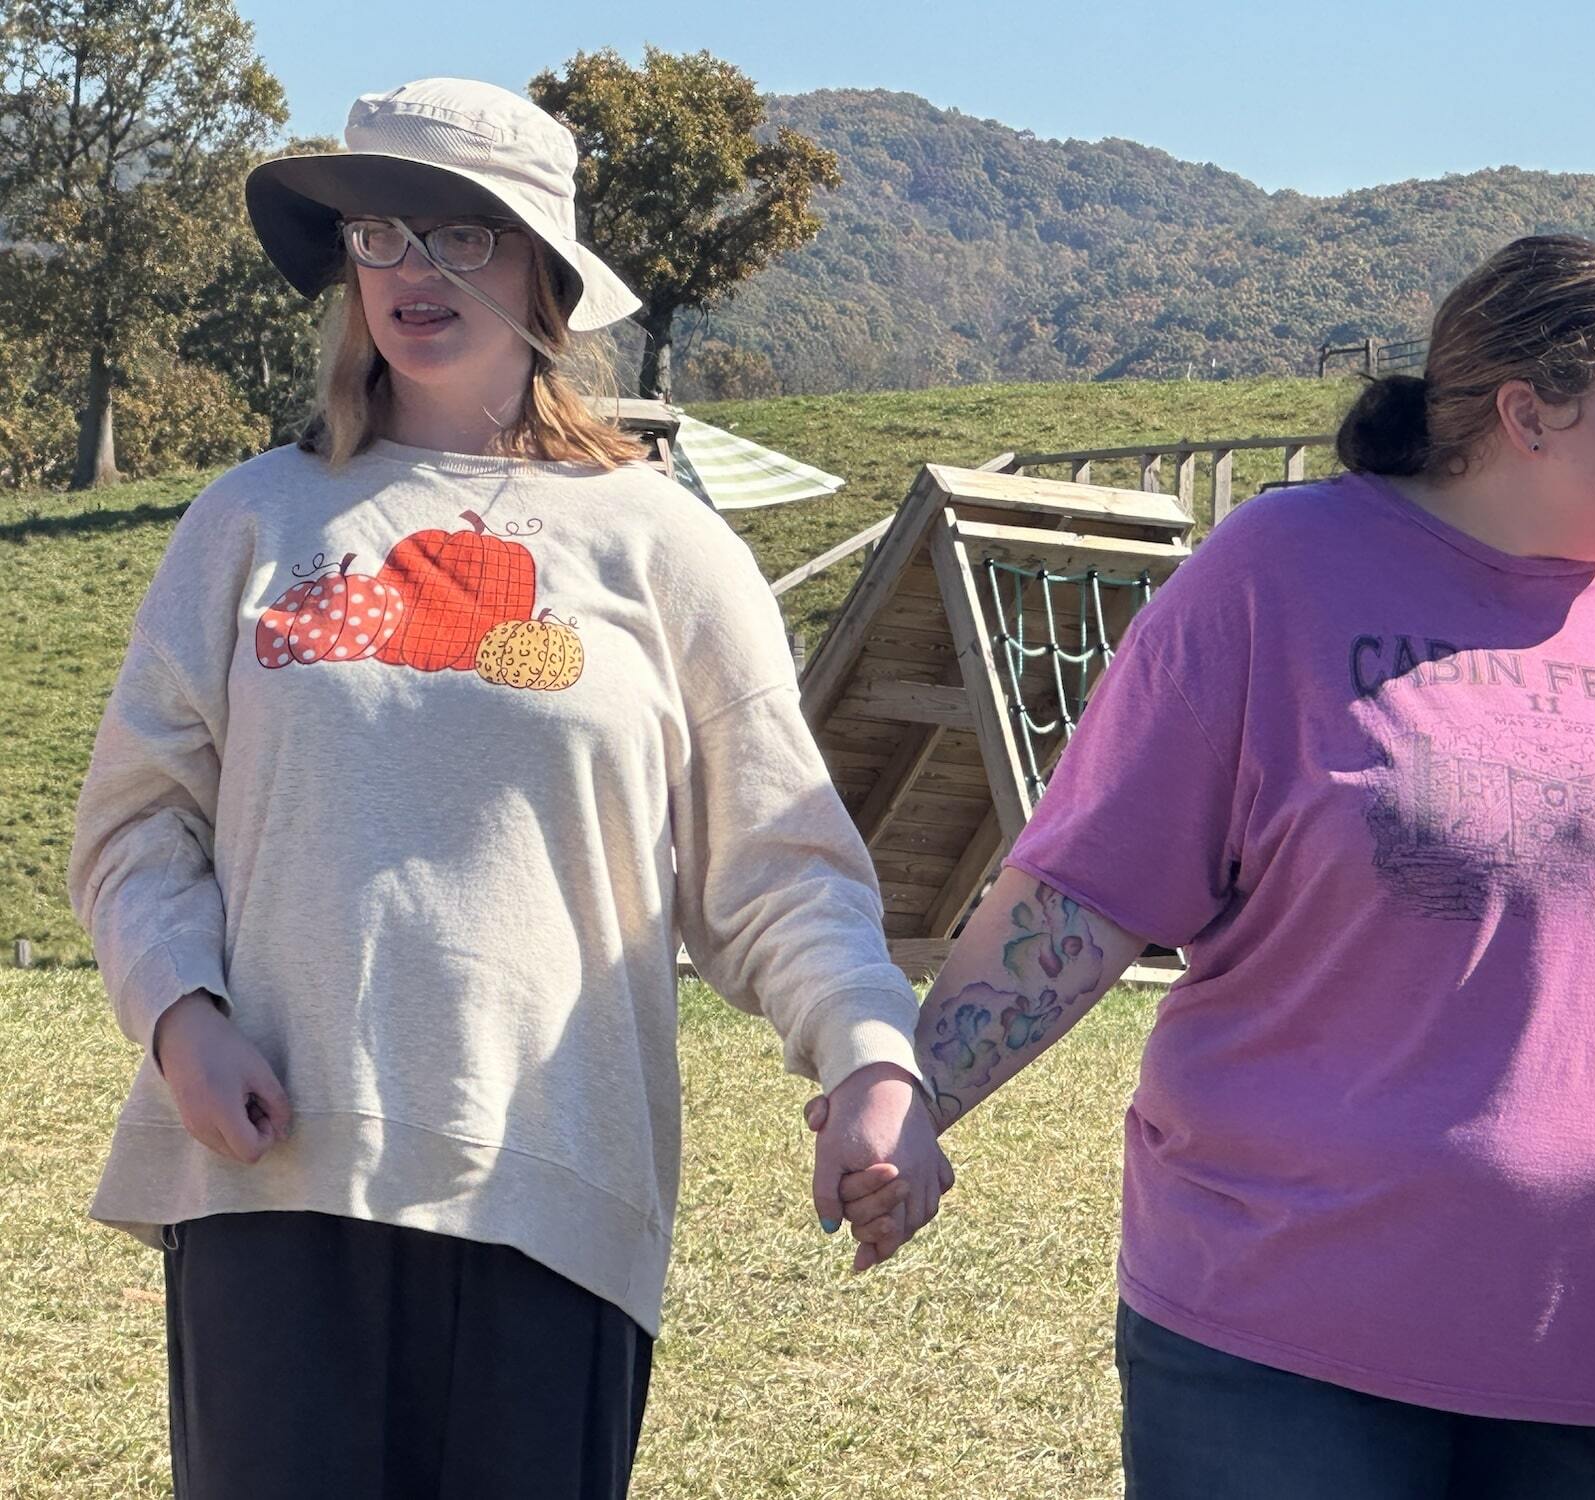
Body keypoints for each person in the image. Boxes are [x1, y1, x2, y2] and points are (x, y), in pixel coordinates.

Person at [822, 236, 1595, 1497]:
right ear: (1528, 414)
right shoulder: (1278, 571)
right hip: (1281, 1336)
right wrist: (918, 1098)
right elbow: (1083, 891)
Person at [69, 77, 948, 1499]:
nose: (413, 271)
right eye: (380, 230)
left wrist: (868, 1060)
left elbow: (781, 865)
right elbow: (136, 824)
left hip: (551, 1190)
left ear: (544, 264)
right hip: (271, 1182)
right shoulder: (250, 519)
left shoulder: (662, 548)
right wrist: (178, 1014)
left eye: (463, 235)